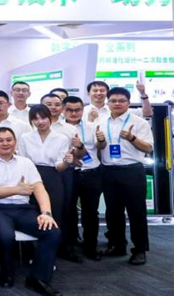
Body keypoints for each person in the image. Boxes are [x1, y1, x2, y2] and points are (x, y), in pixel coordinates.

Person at [0, 127, 62, 296]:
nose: (5, 143)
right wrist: (17, 189)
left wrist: (46, 213)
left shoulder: (26, 163)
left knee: (52, 232)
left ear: (15, 142)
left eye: (9, 140)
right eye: (0, 140)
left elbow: (39, 188)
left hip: (23, 209)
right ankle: (7, 273)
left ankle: (39, 278)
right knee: (5, 236)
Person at [100, 87, 153, 266]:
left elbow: (149, 147)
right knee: (113, 212)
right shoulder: (101, 121)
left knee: (136, 212)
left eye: (121, 101)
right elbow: (99, 147)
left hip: (132, 171)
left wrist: (132, 138)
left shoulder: (139, 122)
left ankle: (140, 250)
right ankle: (117, 245)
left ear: (128, 103)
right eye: (113, 101)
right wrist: (100, 141)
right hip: (108, 170)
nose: (117, 104)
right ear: (107, 103)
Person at [19, 105, 78, 262]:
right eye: (35, 118)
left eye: (43, 117)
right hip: (31, 176)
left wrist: (67, 162)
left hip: (53, 177)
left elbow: (59, 166)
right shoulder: (25, 137)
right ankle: (31, 252)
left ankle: (50, 254)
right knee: (31, 214)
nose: (40, 122)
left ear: (50, 118)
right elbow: (23, 161)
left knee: (55, 213)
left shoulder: (61, 138)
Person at [61, 95, 103, 261]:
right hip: (68, 173)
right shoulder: (57, 128)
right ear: (63, 110)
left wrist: (101, 140)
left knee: (90, 212)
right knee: (68, 211)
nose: (73, 113)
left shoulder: (92, 127)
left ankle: (91, 246)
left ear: (82, 110)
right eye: (69, 110)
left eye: (77, 110)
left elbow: (101, 146)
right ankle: (69, 245)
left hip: (90, 172)